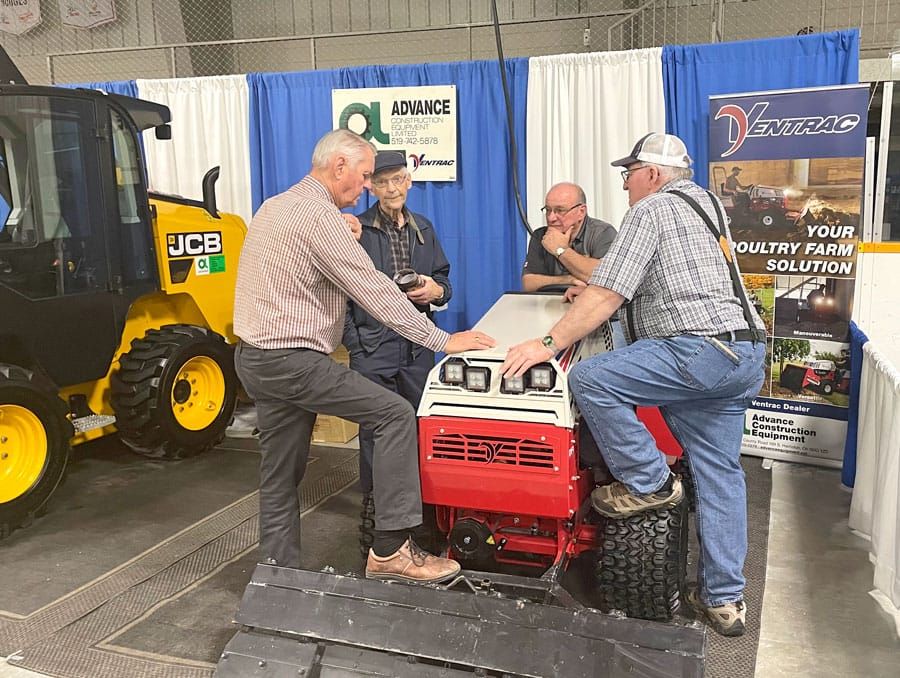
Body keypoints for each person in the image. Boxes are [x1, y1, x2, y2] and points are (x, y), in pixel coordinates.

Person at [502, 133, 765, 637]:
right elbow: (672, 278)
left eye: (629, 174)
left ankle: (649, 482)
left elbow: (606, 293)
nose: (624, 185)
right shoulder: (707, 203)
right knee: (720, 475)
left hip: (700, 350)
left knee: (591, 377)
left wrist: (546, 342)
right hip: (746, 354)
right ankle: (724, 601)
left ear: (652, 174)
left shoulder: (650, 211)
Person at [233, 129, 495, 583]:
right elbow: (373, 290)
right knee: (394, 416)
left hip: (254, 359)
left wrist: (343, 231)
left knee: (280, 476)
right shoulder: (320, 219)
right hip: (294, 361)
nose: (369, 185)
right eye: (366, 175)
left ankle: (277, 576)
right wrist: (442, 339)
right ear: (339, 167)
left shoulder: (275, 206)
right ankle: (391, 550)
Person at [343, 149, 451, 553]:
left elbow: (445, 280)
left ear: (409, 181)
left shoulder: (423, 228)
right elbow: (341, 292)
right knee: (375, 432)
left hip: (418, 346)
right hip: (373, 348)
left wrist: (435, 290)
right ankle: (378, 523)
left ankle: (420, 516)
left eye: (398, 180)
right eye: (383, 181)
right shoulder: (355, 229)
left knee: (422, 427)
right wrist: (356, 343)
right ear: (370, 185)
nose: (392, 189)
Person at [521, 182, 617, 292]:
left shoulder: (602, 233)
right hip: (549, 305)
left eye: (560, 210)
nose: (551, 218)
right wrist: (569, 280)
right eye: (548, 210)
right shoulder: (541, 236)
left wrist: (560, 250)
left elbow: (607, 277)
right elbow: (528, 283)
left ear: (581, 212)